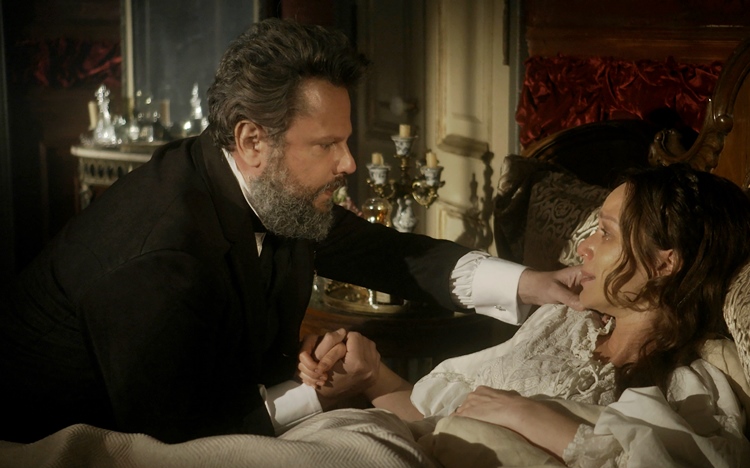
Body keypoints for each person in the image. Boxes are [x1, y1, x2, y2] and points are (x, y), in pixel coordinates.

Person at [0, 18, 581, 444]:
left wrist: (531, 282)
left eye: (345, 141)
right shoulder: (157, 255)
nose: (349, 162)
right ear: (253, 141)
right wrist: (321, 393)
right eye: (327, 145)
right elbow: (178, 443)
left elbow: (388, 252)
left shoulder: (267, 188)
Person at [301, 163, 750, 468]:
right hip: (395, 456)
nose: (585, 247)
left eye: (606, 233)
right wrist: (372, 376)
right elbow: (433, 417)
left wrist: (529, 416)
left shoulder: (694, 381)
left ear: (664, 263)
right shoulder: (561, 323)